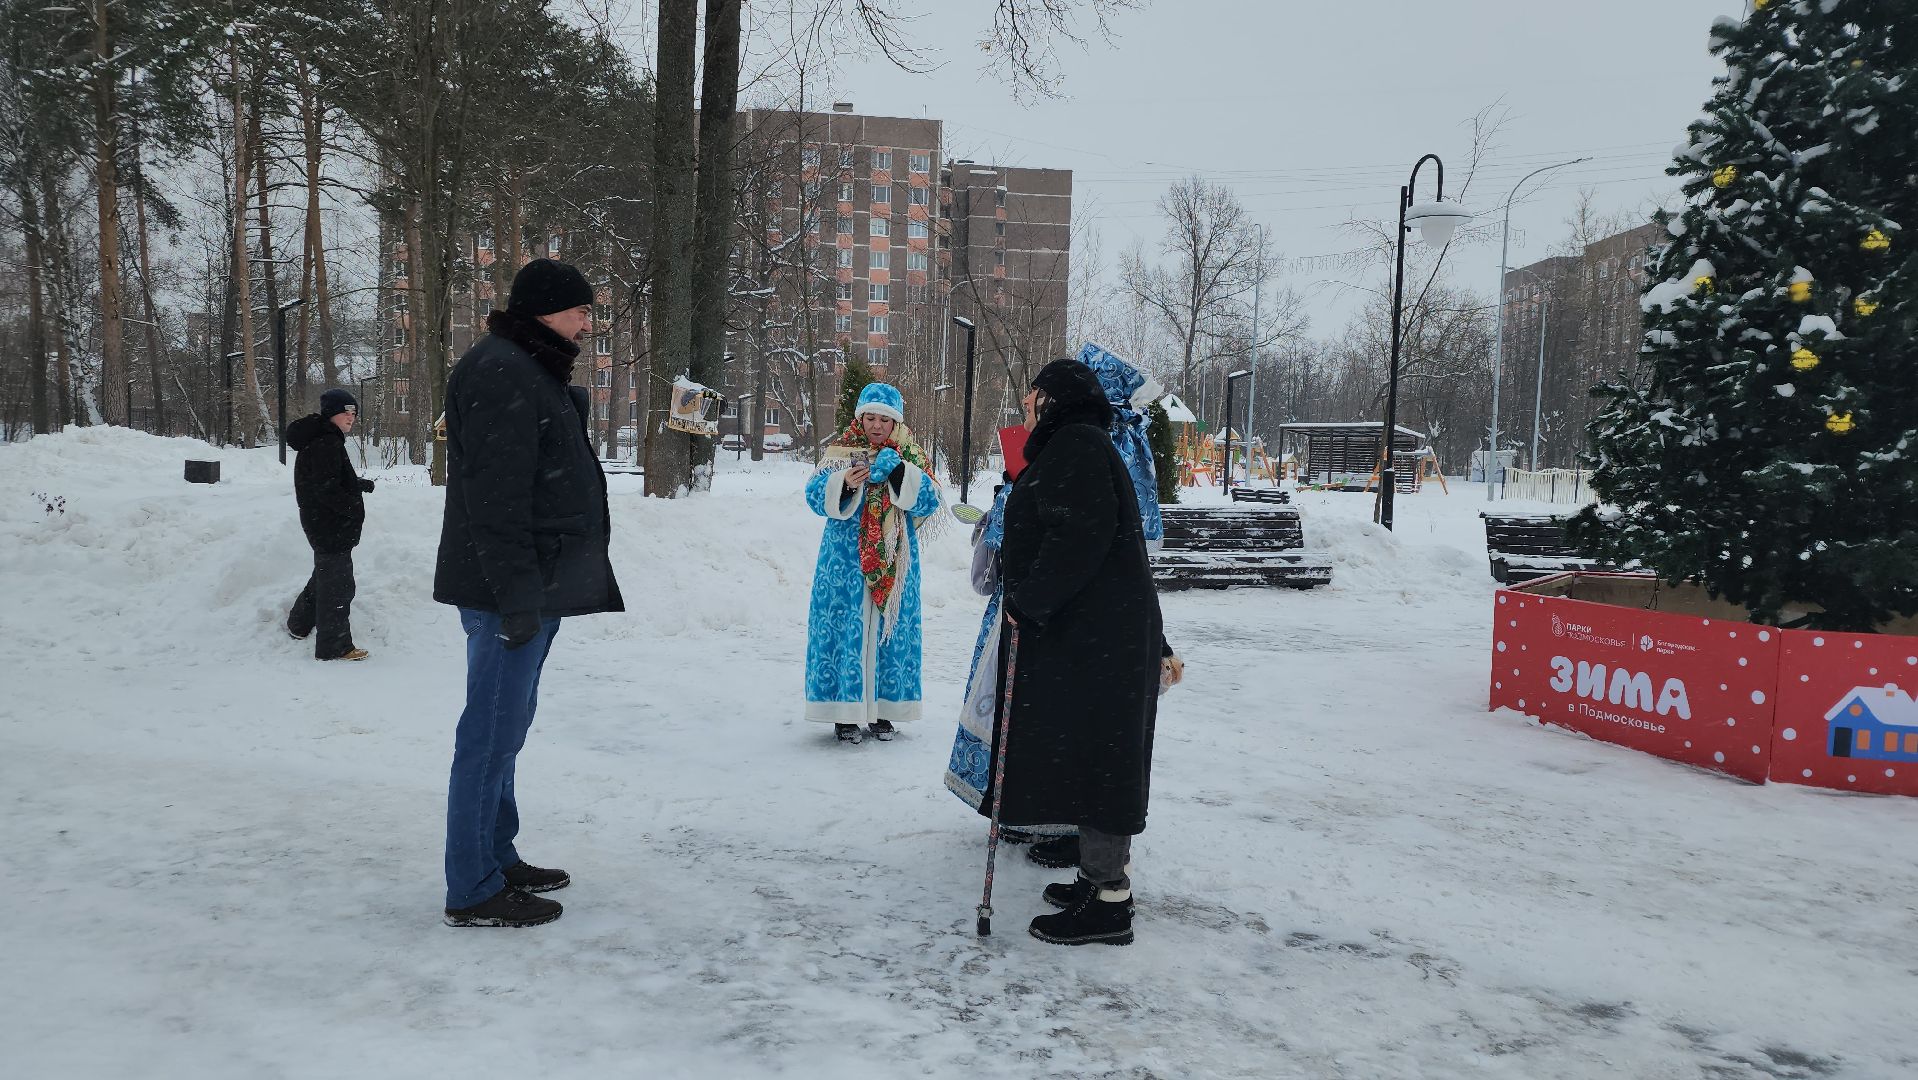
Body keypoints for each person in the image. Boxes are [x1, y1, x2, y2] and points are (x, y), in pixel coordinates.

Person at [433, 257, 624, 928]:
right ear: (545, 309)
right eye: (580, 310)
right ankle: (473, 886)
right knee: (487, 735)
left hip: (532, 586)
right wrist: (516, 597)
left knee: (506, 730)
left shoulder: (527, 366)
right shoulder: (499, 372)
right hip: (506, 592)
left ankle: (496, 852)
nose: (587, 321)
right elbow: (495, 500)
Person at [944, 344, 1176, 871]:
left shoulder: (1083, 447)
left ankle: (1106, 893)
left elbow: (1079, 539)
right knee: (1087, 746)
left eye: (1034, 392)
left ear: (1054, 399)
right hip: (1080, 624)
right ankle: (1095, 876)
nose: (1025, 401)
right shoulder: (1075, 444)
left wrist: (1026, 602)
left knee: (1098, 751)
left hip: (1088, 626)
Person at [803, 383, 943, 743]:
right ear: (860, 417)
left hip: (894, 557)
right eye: (870, 417)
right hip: (844, 559)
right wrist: (845, 483)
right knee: (846, 627)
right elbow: (814, 494)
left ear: (895, 422)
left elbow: (929, 500)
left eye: (884, 419)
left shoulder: (909, 453)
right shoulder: (842, 450)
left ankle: (883, 710)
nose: (876, 426)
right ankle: (844, 713)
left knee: (888, 630)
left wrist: (898, 472)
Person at [285, 388, 374, 662]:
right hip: (329, 525)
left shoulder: (322, 438)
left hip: (321, 523)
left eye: (354, 413)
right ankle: (335, 646)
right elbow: (326, 489)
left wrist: (356, 485)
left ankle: (298, 624)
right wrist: (353, 510)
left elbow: (326, 479)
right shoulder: (326, 442)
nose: (351, 417)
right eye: (345, 412)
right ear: (331, 414)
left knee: (326, 575)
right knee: (339, 586)